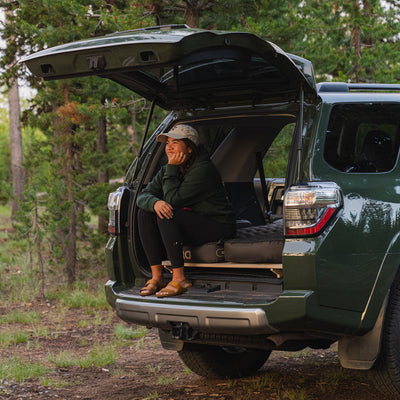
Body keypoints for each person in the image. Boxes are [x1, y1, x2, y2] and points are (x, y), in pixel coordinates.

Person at [137, 124, 236, 298]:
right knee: (145, 213)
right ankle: (157, 277)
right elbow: (142, 196)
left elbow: (173, 200)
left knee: (167, 215)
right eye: (167, 143)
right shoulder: (168, 168)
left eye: (175, 143)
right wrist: (154, 202)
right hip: (192, 222)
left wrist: (171, 169)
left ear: (189, 148)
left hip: (218, 225)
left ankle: (179, 279)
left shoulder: (203, 169)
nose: (169, 147)